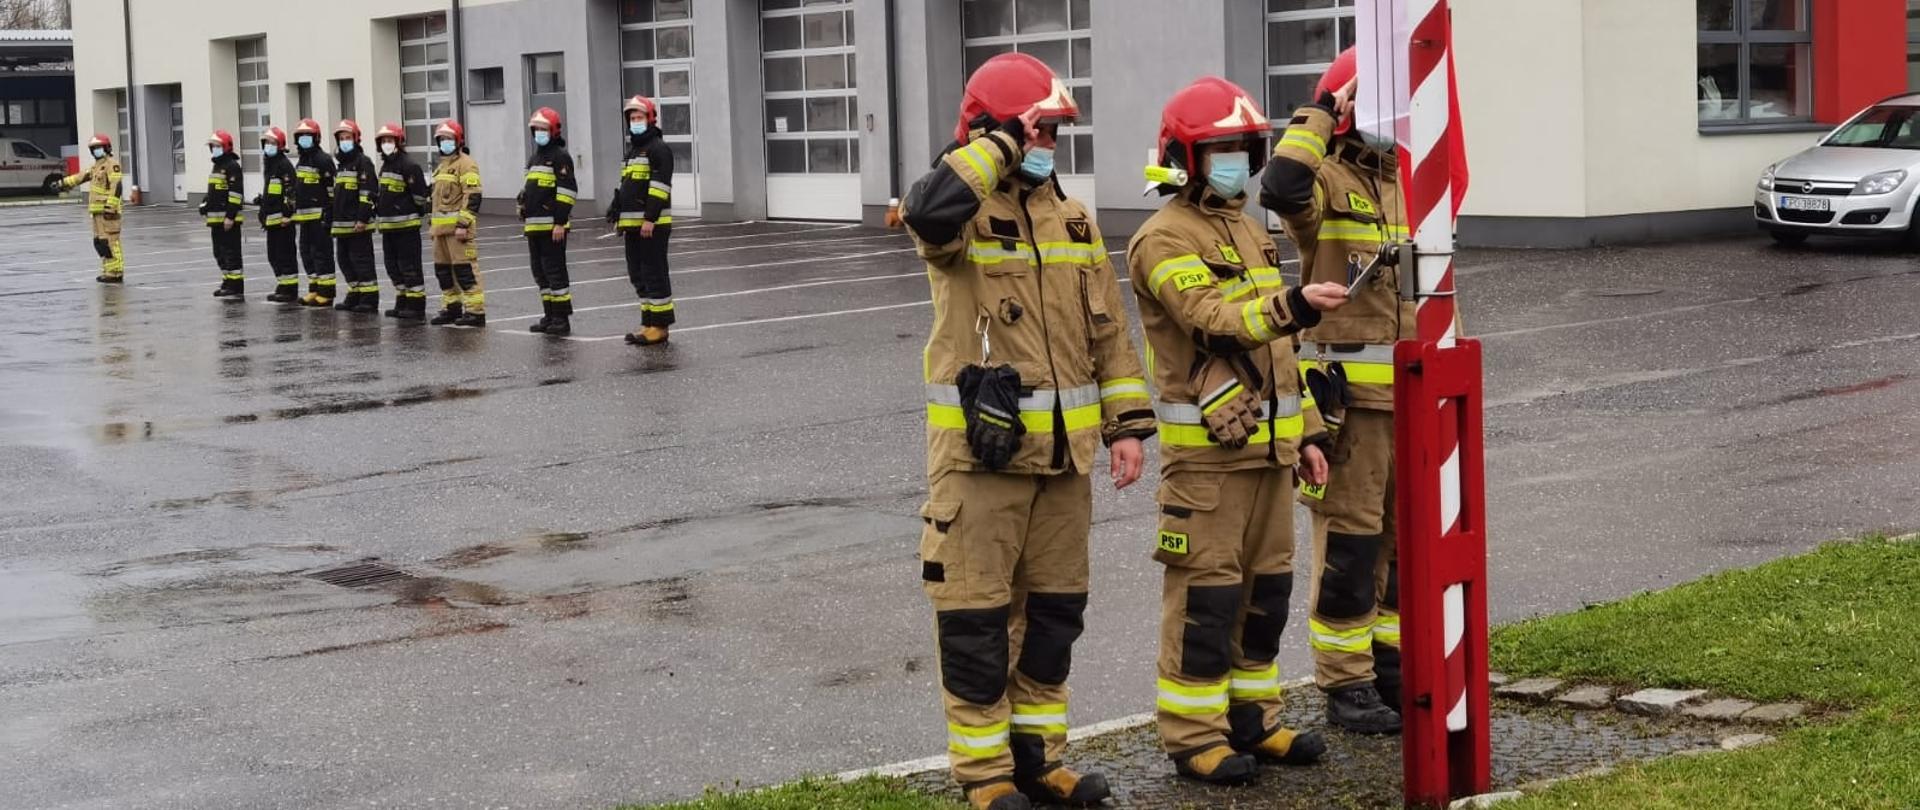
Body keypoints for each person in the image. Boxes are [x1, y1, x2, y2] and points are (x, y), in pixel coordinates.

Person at [899, 52, 1155, 810]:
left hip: (1064, 465)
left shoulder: (1072, 218)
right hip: (982, 463)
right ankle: (986, 776)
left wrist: (1126, 425)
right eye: (1038, 130)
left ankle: (1039, 761)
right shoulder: (961, 211)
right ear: (995, 131)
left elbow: (1107, 332)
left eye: (1052, 132)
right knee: (976, 620)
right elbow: (927, 212)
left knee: (1053, 618)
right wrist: (1003, 141)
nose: (1048, 143)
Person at [1128, 76, 1351, 786]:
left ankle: (1256, 720)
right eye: (1218, 148)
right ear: (1185, 158)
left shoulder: (1250, 231)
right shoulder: (1163, 237)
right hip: (1207, 466)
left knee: (1265, 596)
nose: (1234, 160)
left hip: (1269, 453)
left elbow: (1277, 354)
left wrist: (1307, 432)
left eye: (1241, 147)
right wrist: (1295, 304)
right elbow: (1212, 321)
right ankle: (1195, 736)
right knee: (1206, 600)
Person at [1259, 46, 1418, 736]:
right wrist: (1323, 110)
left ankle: (1392, 665)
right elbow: (1281, 185)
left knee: (1402, 547)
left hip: (1415, 399)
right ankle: (1346, 681)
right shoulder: (1324, 177)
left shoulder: (1409, 180)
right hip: (1351, 405)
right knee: (1351, 547)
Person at [610, 95, 676, 346]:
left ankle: (660, 326)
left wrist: (650, 219)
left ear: (650, 119)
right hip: (633, 227)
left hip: (652, 226)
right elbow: (626, 187)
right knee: (638, 275)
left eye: (639, 117)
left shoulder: (659, 149)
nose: (635, 122)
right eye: (632, 118)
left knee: (654, 273)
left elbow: (659, 187)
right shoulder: (633, 151)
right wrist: (617, 212)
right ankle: (648, 323)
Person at [518, 107, 577, 336]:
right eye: (536, 129)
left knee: (555, 272)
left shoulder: (560, 156)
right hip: (534, 226)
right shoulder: (535, 158)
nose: (539, 133)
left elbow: (567, 191)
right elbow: (530, 189)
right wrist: (522, 202)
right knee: (540, 272)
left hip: (552, 227)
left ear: (553, 130)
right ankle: (549, 315)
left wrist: (560, 222)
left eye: (543, 129)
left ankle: (561, 319)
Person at [427, 120, 486, 327]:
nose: (445, 142)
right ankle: (451, 308)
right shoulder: (441, 166)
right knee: (443, 272)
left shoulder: (466, 164)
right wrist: (432, 227)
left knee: (465, 271)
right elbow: (435, 201)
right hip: (440, 231)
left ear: (458, 140)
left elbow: (473, 195)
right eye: (442, 139)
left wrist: (463, 224)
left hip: (458, 231)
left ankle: (475, 312)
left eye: (449, 138)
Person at [372, 123, 430, 321]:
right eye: (383, 141)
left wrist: (407, 209)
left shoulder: (409, 165)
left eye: (390, 140)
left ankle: (416, 305)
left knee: (409, 267)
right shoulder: (386, 166)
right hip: (389, 228)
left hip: (406, 227)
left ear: (398, 142)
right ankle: (402, 300)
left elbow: (420, 197)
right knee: (393, 267)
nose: (386, 144)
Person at [329, 120, 380, 314]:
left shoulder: (363, 162)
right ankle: (355, 292)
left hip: (358, 225)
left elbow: (368, 193)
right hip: (342, 225)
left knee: (361, 262)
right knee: (345, 261)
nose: (344, 141)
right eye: (341, 138)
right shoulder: (342, 165)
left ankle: (369, 298)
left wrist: (362, 219)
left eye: (348, 137)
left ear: (356, 139)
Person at [59, 134, 125, 284]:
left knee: (111, 242)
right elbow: (80, 177)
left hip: (108, 212)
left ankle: (116, 272)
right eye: (94, 148)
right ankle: (108, 271)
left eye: (99, 148)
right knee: (101, 243)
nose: (96, 151)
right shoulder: (96, 167)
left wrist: (111, 207)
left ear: (106, 148)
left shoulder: (112, 165)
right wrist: (62, 183)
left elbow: (117, 187)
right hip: (97, 213)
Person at [290, 119, 338, 306]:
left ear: (316, 137)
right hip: (305, 218)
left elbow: (331, 190)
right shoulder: (302, 160)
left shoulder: (323, 160)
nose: (304, 139)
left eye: (307, 135)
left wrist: (329, 213)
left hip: (320, 218)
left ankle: (326, 292)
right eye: (301, 136)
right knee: (307, 253)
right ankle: (314, 288)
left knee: (322, 254)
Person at [256, 126, 300, 304]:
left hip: (283, 221)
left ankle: (290, 290)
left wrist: (288, 215)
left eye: (272, 142)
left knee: (285, 255)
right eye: (266, 142)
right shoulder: (270, 165)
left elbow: (291, 192)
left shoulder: (284, 165)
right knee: (273, 255)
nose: (268, 145)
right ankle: (282, 285)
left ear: (280, 145)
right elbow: (273, 191)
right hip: (272, 220)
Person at [201, 130, 247, 299]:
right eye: (212, 146)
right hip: (216, 219)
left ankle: (236, 285)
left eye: (217, 146)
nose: (214, 149)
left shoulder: (232, 166)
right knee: (219, 252)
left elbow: (235, 194)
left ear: (225, 147)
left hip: (228, 220)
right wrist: (205, 205)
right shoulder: (217, 166)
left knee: (231, 253)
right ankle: (227, 281)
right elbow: (214, 192)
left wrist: (230, 216)